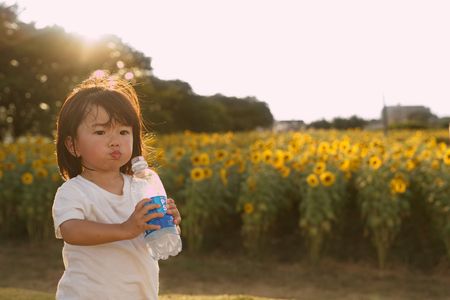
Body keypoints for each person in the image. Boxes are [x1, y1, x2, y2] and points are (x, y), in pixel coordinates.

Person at [52, 71, 181, 299]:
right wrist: (125, 229)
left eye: (123, 131)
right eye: (101, 132)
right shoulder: (74, 191)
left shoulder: (142, 185)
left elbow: (150, 230)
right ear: (73, 146)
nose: (115, 140)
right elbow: (71, 230)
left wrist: (166, 220)